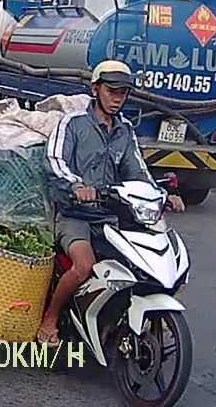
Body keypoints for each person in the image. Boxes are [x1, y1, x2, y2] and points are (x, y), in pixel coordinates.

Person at [35, 59, 185, 345]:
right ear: (96, 89)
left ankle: (127, 318)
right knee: (83, 266)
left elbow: (138, 171)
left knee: (142, 266)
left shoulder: (125, 130)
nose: (117, 98)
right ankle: (50, 318)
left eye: (122, 93)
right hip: (75, 214)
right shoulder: (73, 123)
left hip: (112, 216)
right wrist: (77, 186)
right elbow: (55, 162)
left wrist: (163, 196)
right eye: (111, 91)